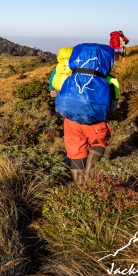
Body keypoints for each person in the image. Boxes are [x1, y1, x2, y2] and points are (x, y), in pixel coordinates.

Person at [55, 44, 119, 185]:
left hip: (71, 122)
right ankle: (90, 174)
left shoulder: (71, 77)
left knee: (76, 151)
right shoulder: (111, 81)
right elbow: (113, 108)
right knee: (98, 143)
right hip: (96, 123)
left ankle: (79, 184)